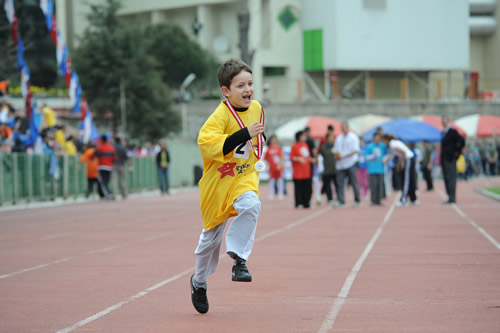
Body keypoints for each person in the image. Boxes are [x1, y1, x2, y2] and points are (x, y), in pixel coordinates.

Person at [191, 59, 265, 314]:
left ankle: (239, 260)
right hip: (218, 184)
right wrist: (245, 134)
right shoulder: (219, 116)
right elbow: (208, 145)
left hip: (243, 178)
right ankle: (199, 282)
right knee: (209, 240)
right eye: (241, 85)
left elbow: (255, 140)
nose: (248, 89)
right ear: (226, 91)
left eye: (250, 84)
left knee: (252, 205)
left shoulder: (256, 108)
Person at [381, 134, 418, 206]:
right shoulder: (392, 145)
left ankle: (403, 199)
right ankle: (413, 198)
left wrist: (402, 162)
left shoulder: (392, 144)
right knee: (409, 179)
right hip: (407, 159)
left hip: (408, 159)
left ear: (386, 140)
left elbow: (403, 152)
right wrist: (398, 164)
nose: (383, 143)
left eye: (383, 141)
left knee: (406, 180)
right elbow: (395, 155)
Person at [333, 122, 361, 207]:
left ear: (348, 128)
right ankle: (341, 201)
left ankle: (357, 200)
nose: (343, 129)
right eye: (342, 127)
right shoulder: (339, 138)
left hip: (351, 163)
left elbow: (355, 150)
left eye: (344, 127)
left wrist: (344, 156)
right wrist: (337, 156)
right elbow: (335, 150)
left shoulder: (353, 137)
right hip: (340, 164)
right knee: (339, 182)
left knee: (353, 182)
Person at [440, 116, 465, 204]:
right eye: (442, 121)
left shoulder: (452, 132)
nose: (443, 122)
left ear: (448, 121)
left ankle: (452, 197)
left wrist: (457, 152)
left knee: (451, 178)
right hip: (444, 159)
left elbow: (462, 140)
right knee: (446, 178)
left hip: (451, 158)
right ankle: (449, 195)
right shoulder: (442, 132)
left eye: (445, 120)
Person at [290, 130, 313, 208]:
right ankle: (299, 203)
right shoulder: (294, 146)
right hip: (298, 172)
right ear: (299, 137)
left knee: (307, 188)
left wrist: (312, 160)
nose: (304, 137)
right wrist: (299, 159)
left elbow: (308, 157)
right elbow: (292, 157)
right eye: (303, 136)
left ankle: (306, 202)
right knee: (298, 188)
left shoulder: (305, 145)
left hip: (306, 171)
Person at [365, 132, 386, 206]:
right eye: (375, 138)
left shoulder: (383, 146)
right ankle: (373, 200)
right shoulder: (369, 146)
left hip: (380, 168)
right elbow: (366, 157)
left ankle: (379, 200)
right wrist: (373, 156)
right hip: (372, 169)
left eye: (378, 138)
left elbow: (386, 155)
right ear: (373, 138)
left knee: (379, 185)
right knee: (373, 185)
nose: (376, 139)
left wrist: (385, 160)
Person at [94, 135, 117, 199]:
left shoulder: (99, 148)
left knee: (103, 181)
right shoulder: (111, 148)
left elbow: (94, 155)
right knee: (106, 181)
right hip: (109, 167)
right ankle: (107, 193)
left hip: (101, 166)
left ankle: (107, 193)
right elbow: (115, 158)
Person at [264, 135, 284, 200]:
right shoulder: (268, 149)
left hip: (278, 166)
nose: (274, 140)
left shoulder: (278, 148)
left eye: (275, 139)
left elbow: (281, 157)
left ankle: (280, 194)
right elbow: (266, 159)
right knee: (272, 181)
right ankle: (271, 194)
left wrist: (279, 164)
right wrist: (267, 167)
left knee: (280, 180)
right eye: (272, 139)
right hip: (271, 167)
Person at [319, 131, 337, 204]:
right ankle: (329, 198)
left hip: (335, 168)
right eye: (329, 137)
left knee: (337, 184)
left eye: (332, 137)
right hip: (327, 168)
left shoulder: (336, 146)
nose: (330, 139)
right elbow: (322, 155)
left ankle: (339, 198)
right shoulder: (323, 147)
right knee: (328, 185)